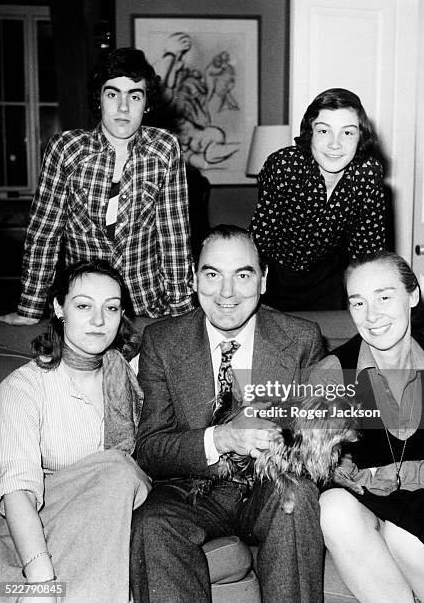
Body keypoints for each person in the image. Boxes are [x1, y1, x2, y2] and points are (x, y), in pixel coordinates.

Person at [130, 225, 325, 602]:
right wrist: (222, 438)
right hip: (192, 490)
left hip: (270, 484)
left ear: (264, 280)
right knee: (152, 523)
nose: (227, 293)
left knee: (297, 498)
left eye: (243, 274)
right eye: (212, 274)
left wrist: (280, 439)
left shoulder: (302, 339)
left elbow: (317, 441)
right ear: (193, 278)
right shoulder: (162, 341)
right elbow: (150, 450)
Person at [309, 251, 424, 602]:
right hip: (374, 507)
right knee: (333, 508)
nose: (371, 316)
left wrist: (382, 477)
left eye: (384, 297)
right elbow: (335, 470)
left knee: (406, 534)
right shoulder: (330, 374)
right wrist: (410, 484)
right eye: (358, 303)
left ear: (412, 295)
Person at [0, 47, 194, 327]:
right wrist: (30, 309)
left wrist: (182, 313)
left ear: (147, 104)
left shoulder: (164, 148)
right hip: (85, 308)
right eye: (112, 94)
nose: (123, 108)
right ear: (98, 99)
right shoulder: (66, 149)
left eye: (134, 96)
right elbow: (44, 234)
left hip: (147, 308)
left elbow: (174, 235)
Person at [0, 259, 151, 603]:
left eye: (111, 308)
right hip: (37, 534)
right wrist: (41, 583)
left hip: (110, 527)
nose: (99, 320)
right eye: (84, 306)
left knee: (119, 474)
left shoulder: (132, 377)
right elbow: (16, 490)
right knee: (116, 470)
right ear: (59, 307)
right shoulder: (23, 387)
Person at [249, 87, 387, 311]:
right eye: (324, 131)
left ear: (360, 137)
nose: (335, 144)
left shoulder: (368, 173)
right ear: (310, 133)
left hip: (329, 280)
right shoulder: (284, 166)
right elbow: (260, 238)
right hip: (274, 280)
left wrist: (372, 303)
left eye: (348, 133)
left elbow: (368, 251)